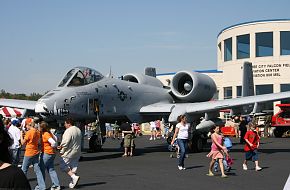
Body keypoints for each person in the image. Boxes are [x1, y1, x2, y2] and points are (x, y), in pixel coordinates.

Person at [0, 125, 31, 189]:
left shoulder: (14, 176)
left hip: (17, 148)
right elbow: (21, 140)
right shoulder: (15, 175)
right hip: (18, 147)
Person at [20, 118, 46, 190]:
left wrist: (21, 135)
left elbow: (22, 142)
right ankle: (42, 187)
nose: (25, 127)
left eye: (26, 125)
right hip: (36, 152)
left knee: (24, 170)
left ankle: (21, 186)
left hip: (29, 152)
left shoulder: (29, 132)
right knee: (38, 170)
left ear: (28, 125)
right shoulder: (37, 131)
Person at [57, 118, 82, 189]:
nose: (64, 125)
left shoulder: (68, 131)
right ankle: (73, 181)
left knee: (63, 165)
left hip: (69, 152)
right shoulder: (78, 130)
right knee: (73, 167)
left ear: (69, 123)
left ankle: (74, 177)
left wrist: (62, 151)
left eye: (65, 123)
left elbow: (65, 142)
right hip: (77, 151)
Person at [39, 121, 61, 190]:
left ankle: (40, 187)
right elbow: (56, 139)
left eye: (39, 126)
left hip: (48, 153)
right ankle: (56, 185)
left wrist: (52, 146)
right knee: (51, 169)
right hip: (52, 153)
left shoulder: (46, 134)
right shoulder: (49, 133)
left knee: (41, 169)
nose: (38, 127)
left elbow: (54, 142)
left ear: (42, 128)